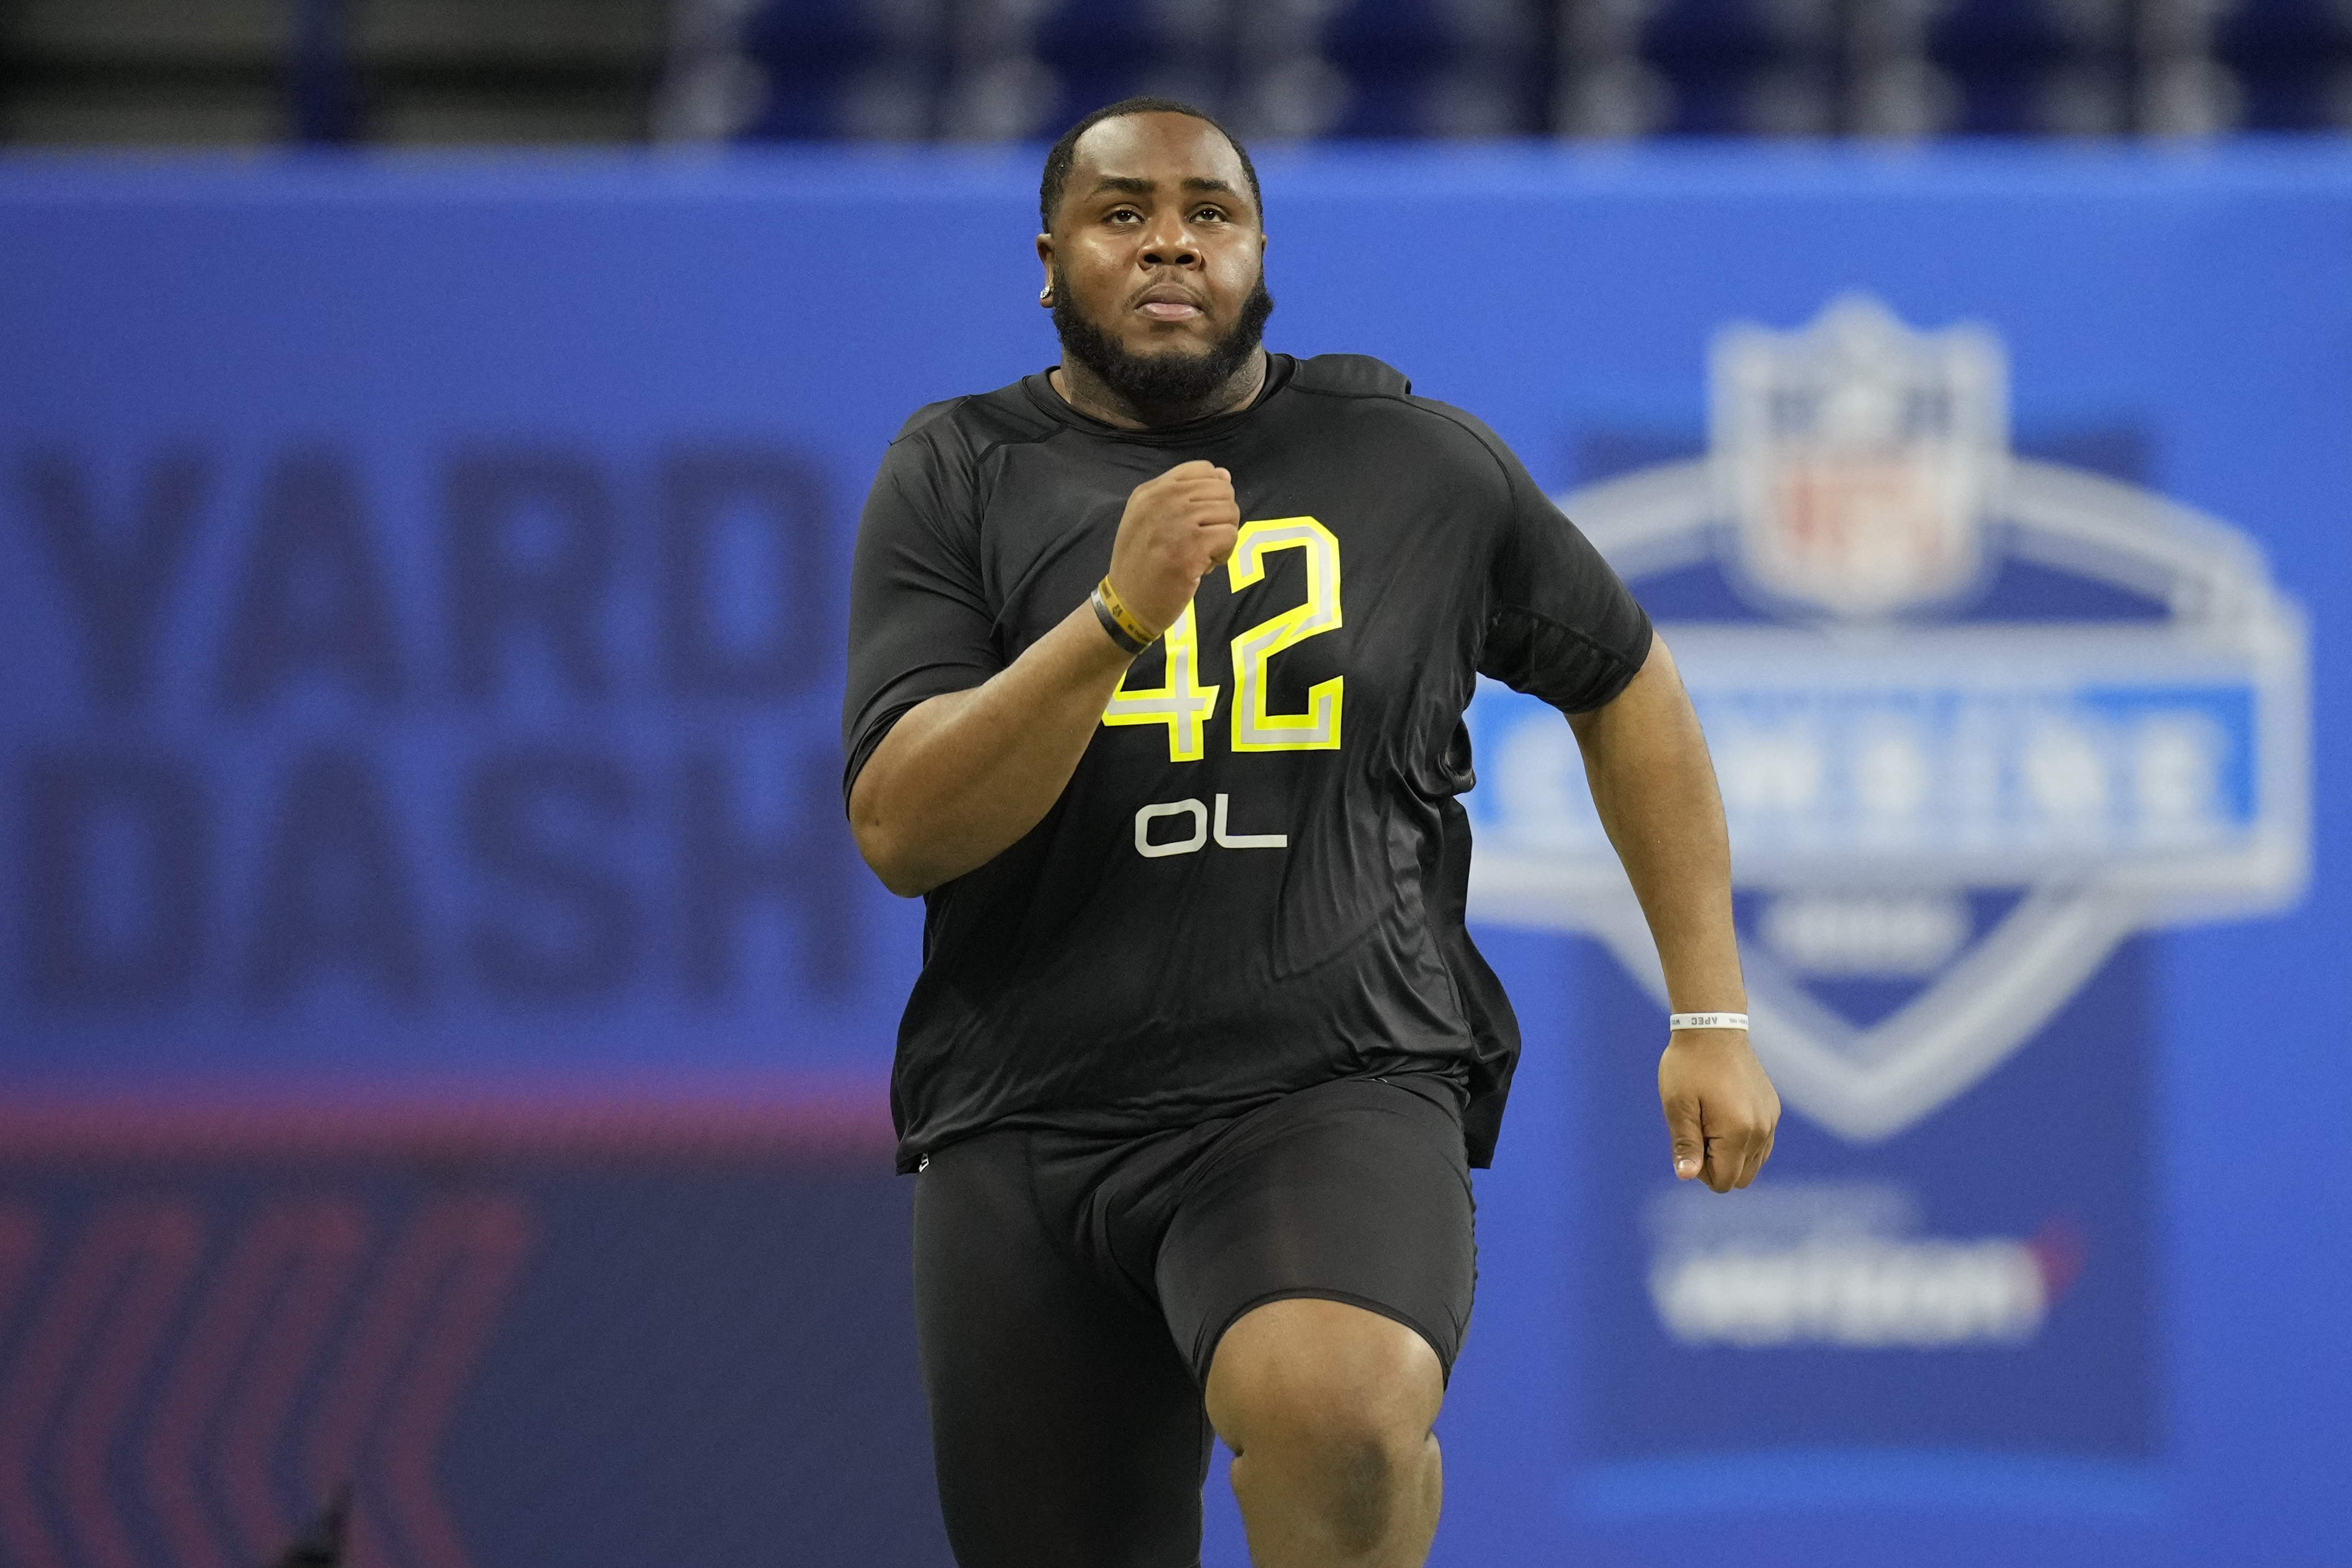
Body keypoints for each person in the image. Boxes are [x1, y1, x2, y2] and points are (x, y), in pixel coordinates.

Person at [842, 98, 1779, 1568]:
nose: (1168, 240)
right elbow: (904, 825)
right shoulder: (955, 471)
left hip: (1328, 1081)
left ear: (1261, 254)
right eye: (1121, 212)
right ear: (1046, 261)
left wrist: (1709, 1006)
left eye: (1209, 213)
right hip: (1027, 1115)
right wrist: (1111, 621)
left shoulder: (1411, 463)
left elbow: (1626, 680)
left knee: (1338, 1407)